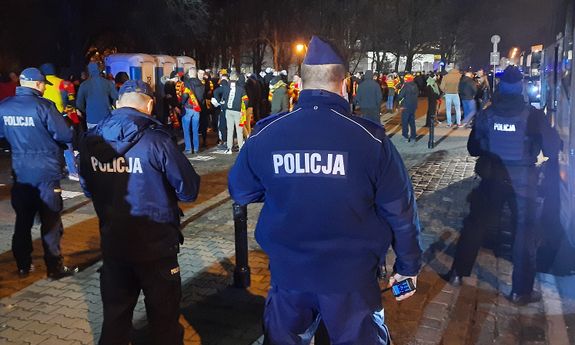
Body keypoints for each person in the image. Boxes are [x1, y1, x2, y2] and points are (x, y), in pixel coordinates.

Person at [228, 36, 422, 344]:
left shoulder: (266, 133)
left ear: (300, 83)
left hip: (289, 277)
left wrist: (286, 184)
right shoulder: (370, 140)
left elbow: (240, 190)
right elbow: (400, 209)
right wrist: (409, 264)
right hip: (352, 281)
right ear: (344, 85)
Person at [78, 80, 200, 345]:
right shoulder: (157, 140)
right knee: (164, 322)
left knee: (115, 320)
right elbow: (188, 189)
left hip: (114, 244)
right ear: (149, 104)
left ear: (119, 102)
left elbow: (88, 188)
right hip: (156, 246)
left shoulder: (91, 140)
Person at [448, 66, 561, 306]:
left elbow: (473, 148)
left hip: (493, 178)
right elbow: (552, 149)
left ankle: (458, 272)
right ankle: (521, 291)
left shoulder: (488, 114)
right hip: (523, 181)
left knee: (475, 225)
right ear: (521, 88)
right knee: (525, 232)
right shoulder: (532, 115)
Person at [0, 67, 77, 279]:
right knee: (51, 222)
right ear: (36, 84)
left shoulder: (4, 107)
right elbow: (65, 135)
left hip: (21, 173)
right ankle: (54, 267)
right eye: (43, 84)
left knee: (22, 221)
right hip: (46, 173)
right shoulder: (44, 107)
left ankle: (23, 265)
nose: (44, 87)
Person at [76, 62, 118, 129]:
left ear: (89, 71)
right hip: (106, 118)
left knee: (94, 138)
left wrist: (87, 111)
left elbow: (79, 104)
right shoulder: (108, 83)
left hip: (91, 118)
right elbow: (116, 98)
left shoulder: (84, 85)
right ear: (99, 70)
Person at [221, 72, 247, 154]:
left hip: (228, 111)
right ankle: (240, 147)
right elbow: (246, 100)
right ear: (237, 79)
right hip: (238, 111)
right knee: (239, 130)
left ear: (229, 78)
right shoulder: (241, 88)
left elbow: (223, 97)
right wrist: (242, 107)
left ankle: (229, 148)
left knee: (230, 130)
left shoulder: (226, 87)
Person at [181, 68, 202, 154]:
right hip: (197, 109)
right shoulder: (201, 83)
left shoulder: (188, 83)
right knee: (195, 129)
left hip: (188, 108)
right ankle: (196, 148)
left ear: (189, 74)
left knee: (186, 129)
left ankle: (189, 148)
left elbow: (185, 95)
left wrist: (182, 103)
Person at [398, 74, 419, 142]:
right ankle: (413, 136)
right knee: (412, 121)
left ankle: (405, 136)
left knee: (405, 121)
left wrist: (398, 96)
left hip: (406, 106)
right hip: (413, 106)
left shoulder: (406, 86)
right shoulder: (415, 85)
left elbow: (400, 96)